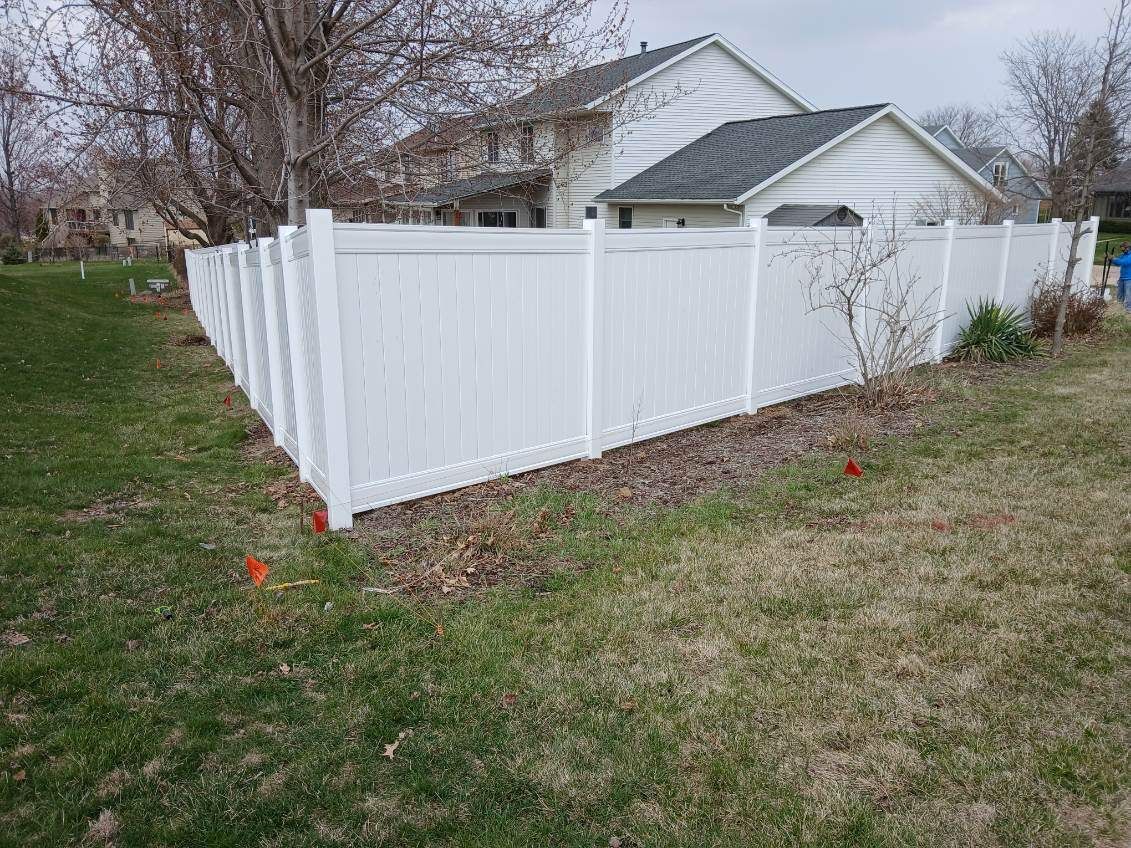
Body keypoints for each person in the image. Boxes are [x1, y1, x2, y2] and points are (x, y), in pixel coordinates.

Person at [1111, 242, 1131, 307]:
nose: (1122, 250)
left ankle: (1129, 310)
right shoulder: (1123, 255)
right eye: (1121, 249)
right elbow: (1118, 263)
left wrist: (1113, 259)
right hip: (1122, 278)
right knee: (1119, 294)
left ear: (1128, 248)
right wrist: (1111, 259)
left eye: (1123, 249)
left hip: (1129, 279)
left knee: (1128, 295)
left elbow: (1123, 262)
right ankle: (1119, 308)